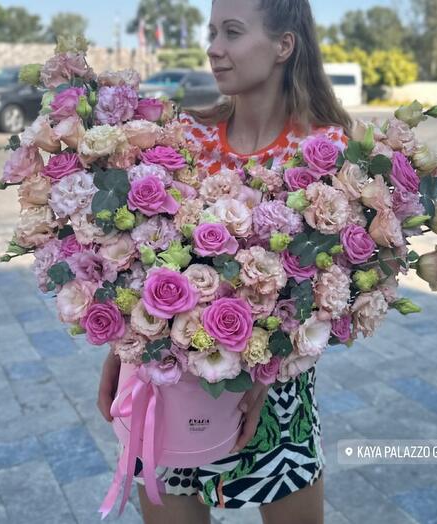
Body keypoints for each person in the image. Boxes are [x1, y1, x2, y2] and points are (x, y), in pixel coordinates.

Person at [98, 0, 353, 522]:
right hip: (168, 383)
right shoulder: (182, 141)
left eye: (232, 33)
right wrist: (121, 352)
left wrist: (265, 371)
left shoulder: (325, 150)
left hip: (275, 397)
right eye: (212, 32)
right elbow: (144, 265)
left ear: (284, 45)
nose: (214, 48)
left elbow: (328, 296)